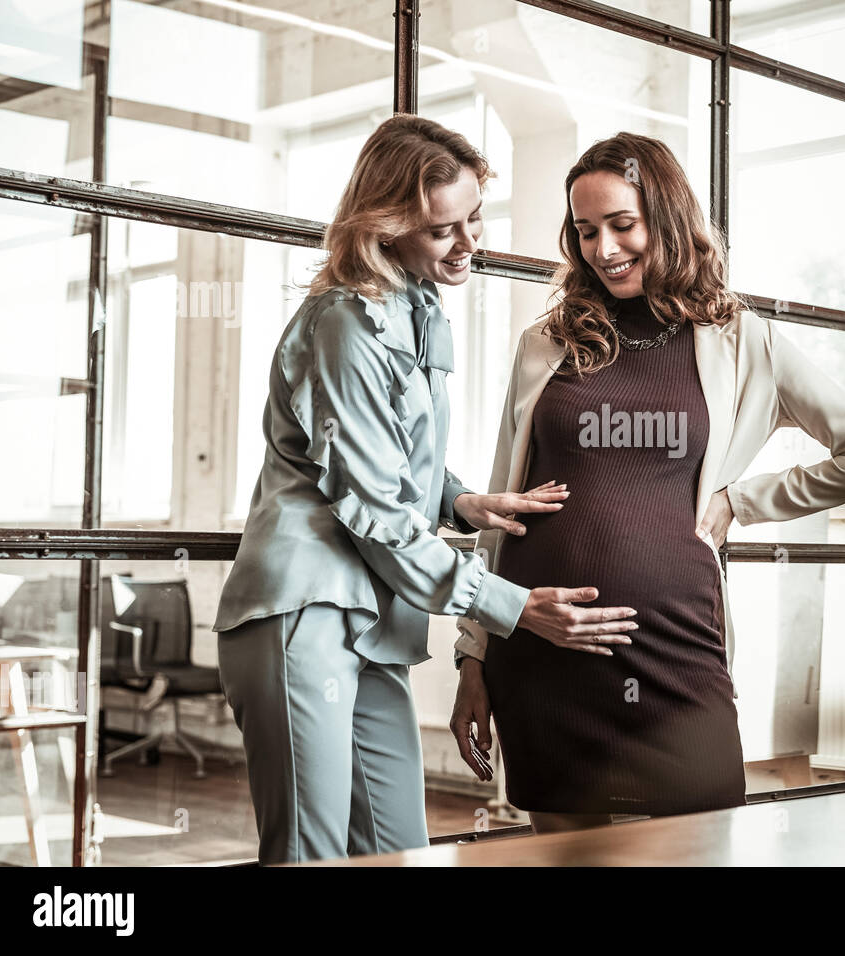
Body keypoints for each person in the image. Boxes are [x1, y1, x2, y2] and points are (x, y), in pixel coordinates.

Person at [212, 115, 637, 864]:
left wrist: (462, 502)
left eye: (475, 220)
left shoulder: (416, 309)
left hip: (374, 620)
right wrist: (513, 608)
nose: (470, 244)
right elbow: (373, 509)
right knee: (310, 856)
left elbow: (396, 458)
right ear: (386, 227)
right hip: (302, 614)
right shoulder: (343, 324)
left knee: (395, 850)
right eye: (445, 230)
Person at [450, 132, 845, 834]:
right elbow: (501, 504)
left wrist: (740, 501)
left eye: (622, 225)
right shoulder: (545, 343)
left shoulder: (741, 340)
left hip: (675, 652)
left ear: (665, 216)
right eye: (586, 230)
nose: (605, 249)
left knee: (699, 843)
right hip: (544, 657)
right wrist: (473, 657)